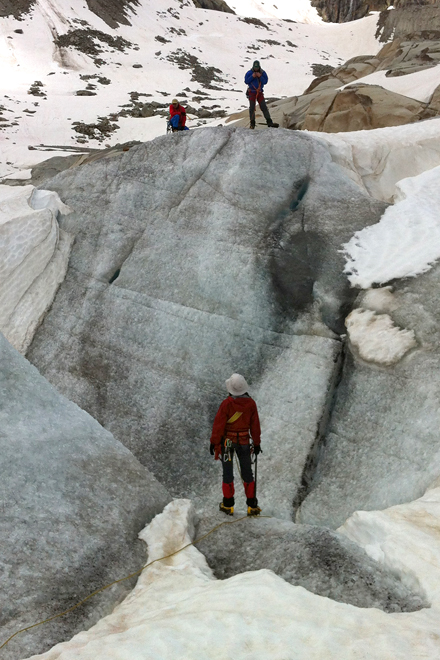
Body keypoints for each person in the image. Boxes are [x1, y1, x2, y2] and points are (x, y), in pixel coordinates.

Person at [210, 373, 262, 516]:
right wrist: (256, 443)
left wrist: (214, 442)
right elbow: (255, 426)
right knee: (247, 473)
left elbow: (219, 425)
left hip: (227, 443)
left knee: (227, 473)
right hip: (244, 442)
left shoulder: (227, 403)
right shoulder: (251, 404)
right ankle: (252, 505)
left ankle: (228, 505)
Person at [244, 60, 278, 129]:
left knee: (263, 107)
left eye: (257, 67)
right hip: (252, 92)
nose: (256, 69)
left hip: (259, 92)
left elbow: (265, 81)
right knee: (252, 108)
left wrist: (260, 76)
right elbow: (246, 81)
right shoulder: (249, 73)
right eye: (255, 67)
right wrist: (252, 76)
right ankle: (252, 123)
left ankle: (269, 122)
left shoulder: (262, 73)